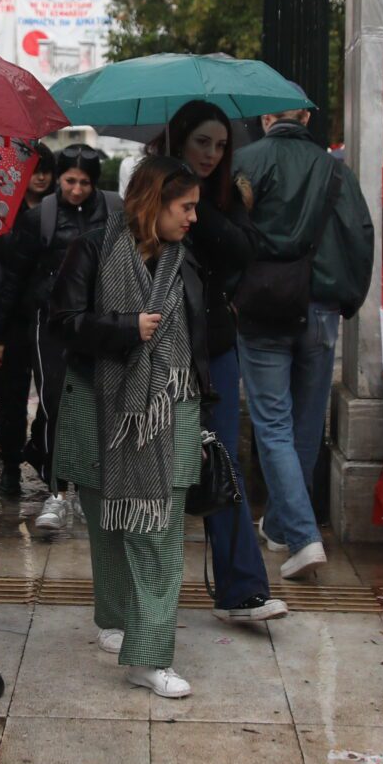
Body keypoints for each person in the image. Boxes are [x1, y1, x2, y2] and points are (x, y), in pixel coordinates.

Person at [46, 157, 208, 698]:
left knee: (158, 532)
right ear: (152, 203)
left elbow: (207, 334)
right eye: (185, 207)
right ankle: (115, 619)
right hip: (97, 405)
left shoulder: (187, 258)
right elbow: (62, 322)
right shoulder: (92, 247)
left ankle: (150, 654)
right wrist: (124, 328)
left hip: (167, 410)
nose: (192, 218)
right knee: (107, 521)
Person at [152, 102, 284, 623]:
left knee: (221, 461)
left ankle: (242, 591)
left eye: (220, 145)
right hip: (157, 346)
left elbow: (241, 250)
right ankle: (142, 602)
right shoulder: (149, 189)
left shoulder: (222, 198)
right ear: (180, 138)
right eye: (201, 142)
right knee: (154, 469)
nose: (211, 154)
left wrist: (195, 202)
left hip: (214, 348)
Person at [235, 107, 374, 581]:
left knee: (272, 423)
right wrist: (349, 297)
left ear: (266, 115)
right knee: (306, 423)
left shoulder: (248, 161)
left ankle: (302, 535)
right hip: (322, 308)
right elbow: (359, 233)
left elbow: (231, 234)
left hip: (265, 306)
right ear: (310, 116)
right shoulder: (337, 169)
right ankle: (280, 525)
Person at [0, 145, 114, 530]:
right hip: (49, 323)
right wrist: (0, 332)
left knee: (98, 403)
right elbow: (12, 278)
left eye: (84, 183)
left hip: (95, 323)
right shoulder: (39, 218)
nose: (76, 189)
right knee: (55, 403)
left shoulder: (112, 214)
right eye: (70, 181)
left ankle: (88, 487)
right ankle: (57, 489)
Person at [0, 143, 59, 499]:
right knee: (10, 403)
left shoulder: (61, 213)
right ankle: (10, 467)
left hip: (49, 322)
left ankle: (43, 461)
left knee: (51, 400)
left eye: (46, 169)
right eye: (34, 168)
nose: (40, 175)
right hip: (10, 322)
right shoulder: (0, 213)